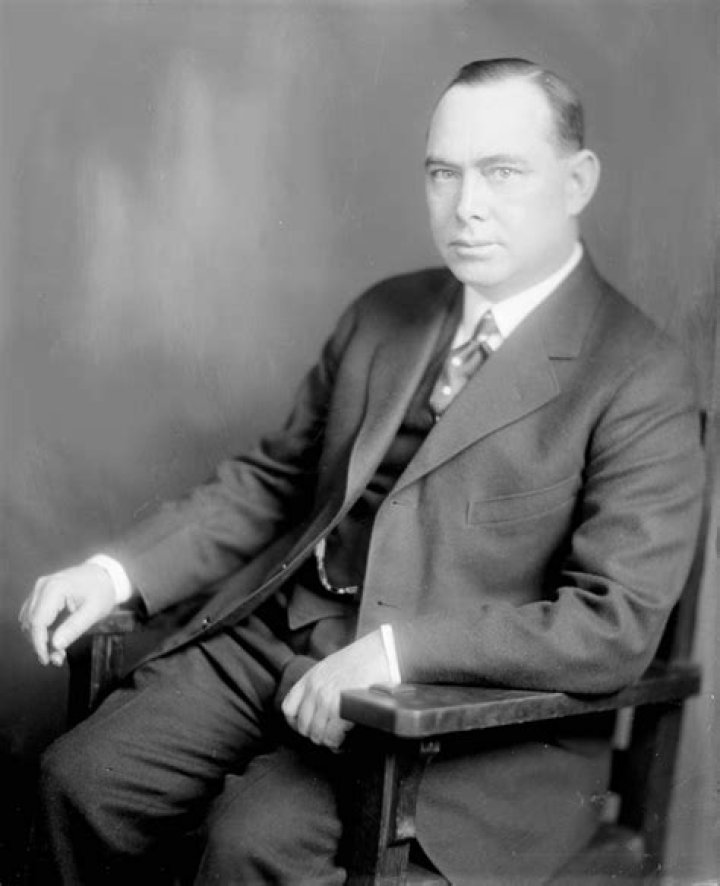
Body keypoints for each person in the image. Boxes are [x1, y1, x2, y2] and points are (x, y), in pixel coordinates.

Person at [20, 57, 704, 885]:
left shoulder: (639, 374)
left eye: (502, 172)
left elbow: (613, 622)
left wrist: (396, 653)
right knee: (81, 782)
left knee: (253, 844)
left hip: (446, 714)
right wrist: (114, 574)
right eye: (443, 173)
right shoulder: (385, 313)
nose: (467, 205)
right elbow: (276, 479)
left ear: (577, 180)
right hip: (278, 639)